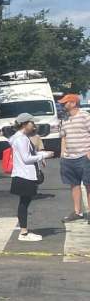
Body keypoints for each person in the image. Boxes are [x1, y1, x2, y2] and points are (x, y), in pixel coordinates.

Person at [10, 113, 55, 240]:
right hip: (25, 175)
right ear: (24, 124)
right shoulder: (21, 139)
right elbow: (26, 158)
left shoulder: (19, 137)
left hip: (23, 174)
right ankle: (24, 233)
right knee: (24, 202)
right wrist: (43, 156)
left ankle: (23, 228)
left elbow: (29, 153)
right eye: (32, 123)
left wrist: (42, 153)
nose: (34, 126)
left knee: (24, 202)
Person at [58, 92, 90, 222]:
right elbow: (63, 136)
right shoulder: (64, 119)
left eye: (65, 102)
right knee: (74, 185)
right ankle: (77, 212)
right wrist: (62, 153)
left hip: (84, 156)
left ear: (73, 103)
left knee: (88, 185)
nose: (62, 105)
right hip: (69, 158)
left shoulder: (85, 116)